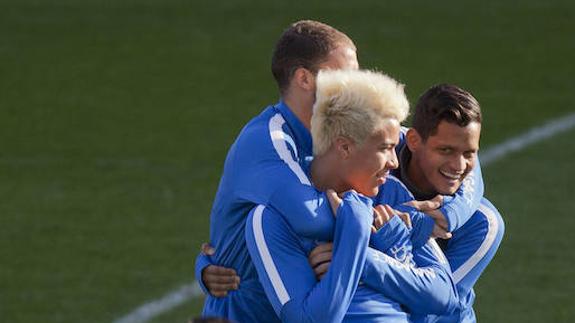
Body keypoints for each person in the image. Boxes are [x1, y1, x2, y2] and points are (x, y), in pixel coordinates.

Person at [196, 20, 483, 320]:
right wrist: (405, 226)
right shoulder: (270, 142)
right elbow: (311, 217)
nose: (358, 83)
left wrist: (453, 211)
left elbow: (451, 153)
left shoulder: (362, 132)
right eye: (346, 74)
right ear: (304, 79)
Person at [244, 69, 460, 322]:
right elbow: (310, 320)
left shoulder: (389, 191)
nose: (393, 163)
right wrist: (356, 225)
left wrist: (364, 258)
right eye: (385, 148)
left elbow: (445, 296)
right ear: (344, 146)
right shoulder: (271, 218)